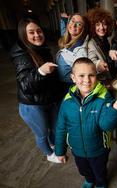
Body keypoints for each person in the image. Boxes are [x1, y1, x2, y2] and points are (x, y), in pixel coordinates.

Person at [55, 57, 117, 188]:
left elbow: (105, 125)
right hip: (77, 149)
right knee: (84, 170)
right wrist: (60, 150)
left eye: (91, 75)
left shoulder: (103, 97)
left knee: (100, 170)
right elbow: (61, 127)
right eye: (81, 75)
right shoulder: (67, 101)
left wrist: (115, 109)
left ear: (97, 76)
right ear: (73, 78)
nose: (87, 80)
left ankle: (101, 183)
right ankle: (89, 180)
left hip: (99, 150)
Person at [10, 18, 62, 163]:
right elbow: (25, 85)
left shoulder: (42, 48)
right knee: (42, 133)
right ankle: (49, 154)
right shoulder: (20, 54)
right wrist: (40, 72)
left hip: (48, 99)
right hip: (32, 105)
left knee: (55, 127)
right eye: (31, 32)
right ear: (23, 35)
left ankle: (53, 144)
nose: (37, 35)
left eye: (39, 31)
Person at [57, 13, 89, 93]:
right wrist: (63, 19)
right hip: (61, 86)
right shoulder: (68, 40)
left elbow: (85, 70)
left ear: (83, 29)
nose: (74, 25)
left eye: (79, 24)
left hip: (71, 89)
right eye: (72, 21)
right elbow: (65, 31)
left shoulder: (80, 49)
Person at [86, 8, 116, 87]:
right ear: (92, 27)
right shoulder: (91, 43)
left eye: (104, 24)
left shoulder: (107, 40)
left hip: (111, 79)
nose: (102, 28)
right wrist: (98, 64)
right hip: (101, 83)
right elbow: (92, 60)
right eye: (97, 25)